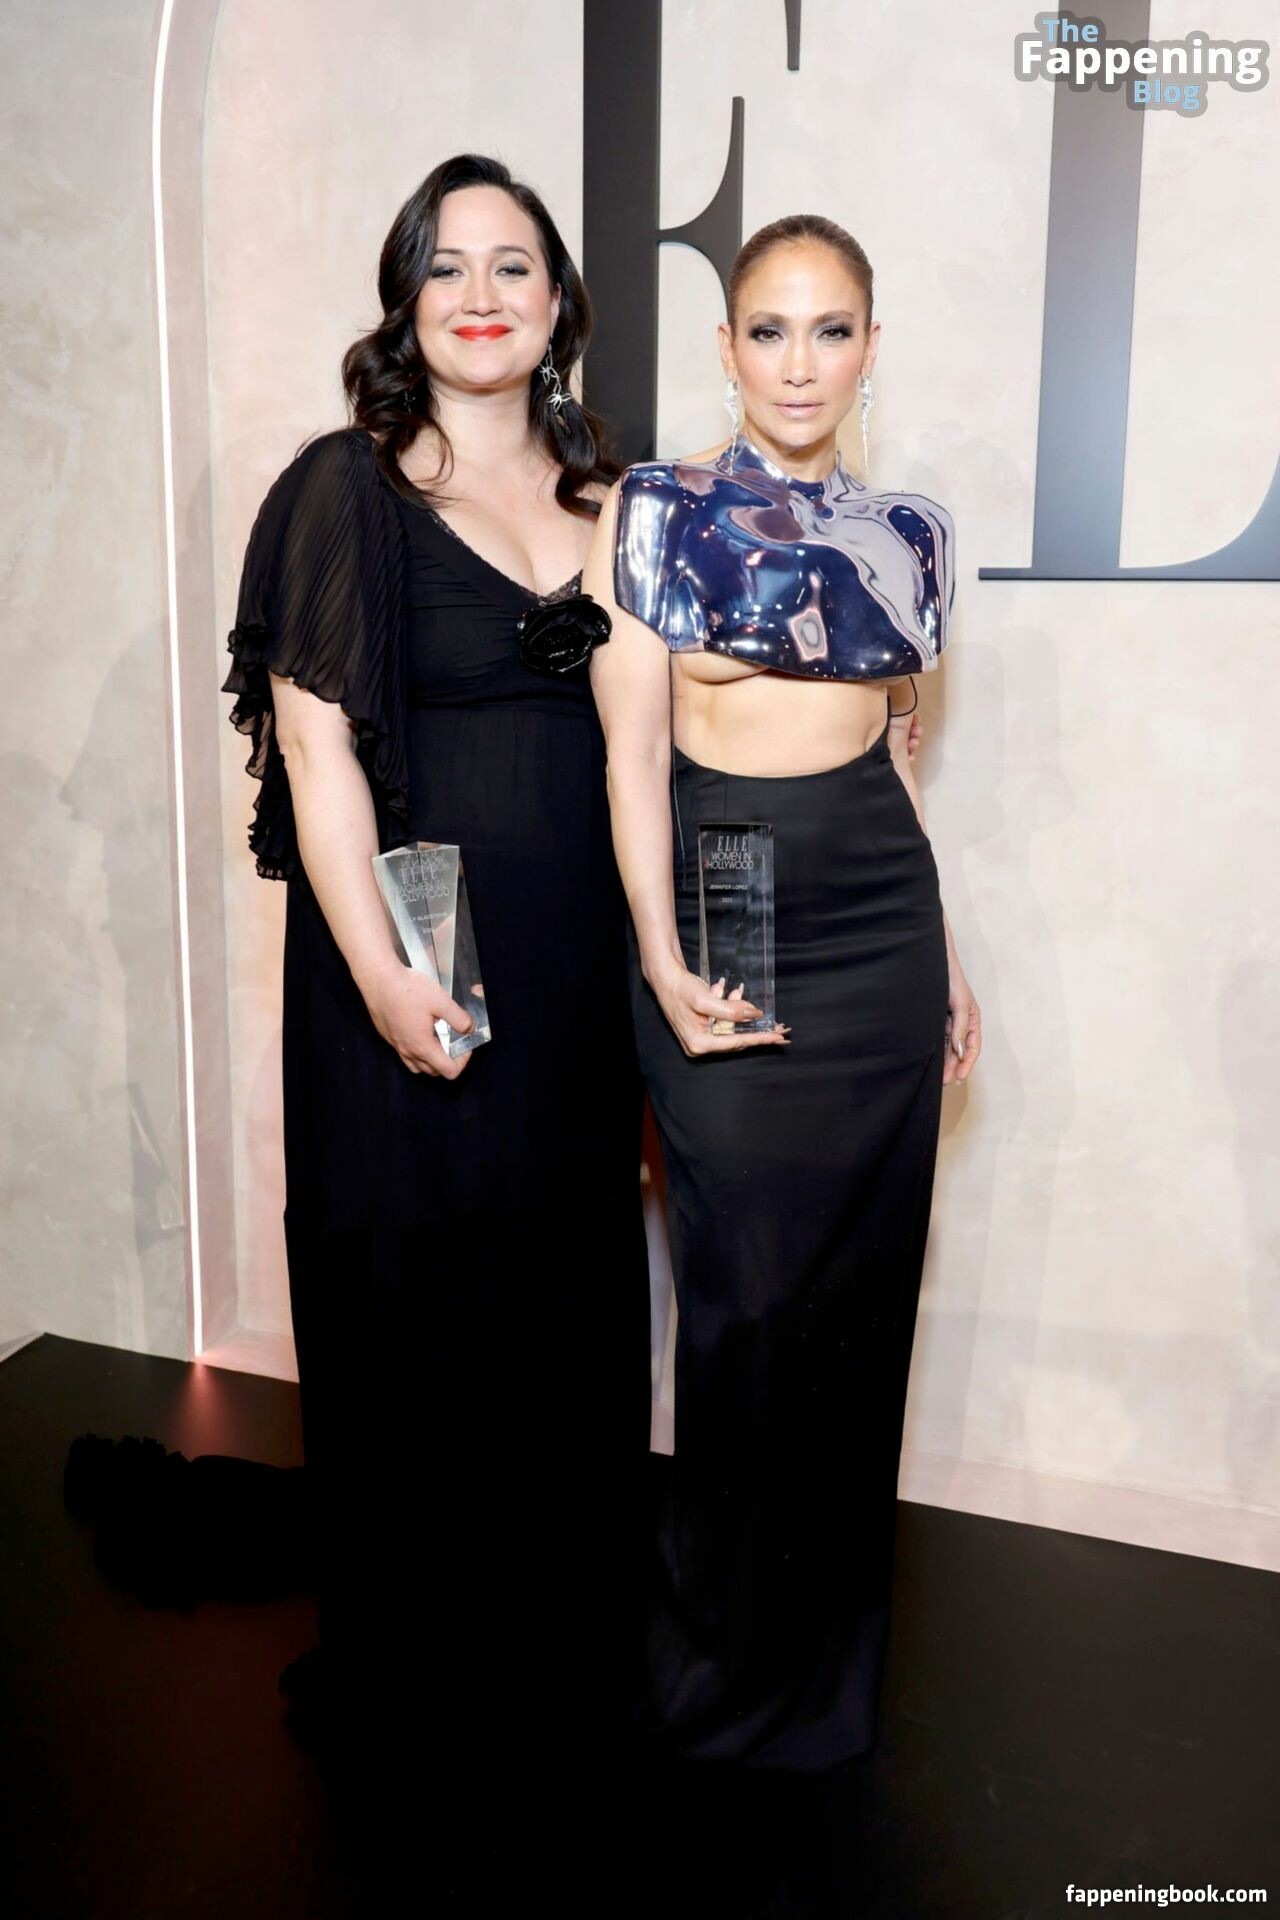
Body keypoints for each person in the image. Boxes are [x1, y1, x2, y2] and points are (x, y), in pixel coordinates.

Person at [222, 153, 650, 1748]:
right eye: (448, 265)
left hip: (574, 972)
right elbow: (316, 750)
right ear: (407, 299)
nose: (482, 295)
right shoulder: (347, 487)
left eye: (512, 265)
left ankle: (556, 1622)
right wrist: (385, 977)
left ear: (560, 303)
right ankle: (417, 1642)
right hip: (403, 966)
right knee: (415, 1286)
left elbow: (669, 745)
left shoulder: (619, 502)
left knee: (560, 1278)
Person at [583, 213, 982, 1772]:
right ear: (726, 344)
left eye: (830, 330)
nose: (799, 363)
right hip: (728, 889)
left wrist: (948, 948)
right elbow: (632, 752)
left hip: (879, 911)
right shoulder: (660, 508)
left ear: (871, 345)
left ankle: (825, 1673)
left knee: (856, 1302)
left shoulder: (912, 535)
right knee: (746, 1297)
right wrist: (658, 950)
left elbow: (896, 754)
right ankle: (716, 1659)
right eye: (769, 329)